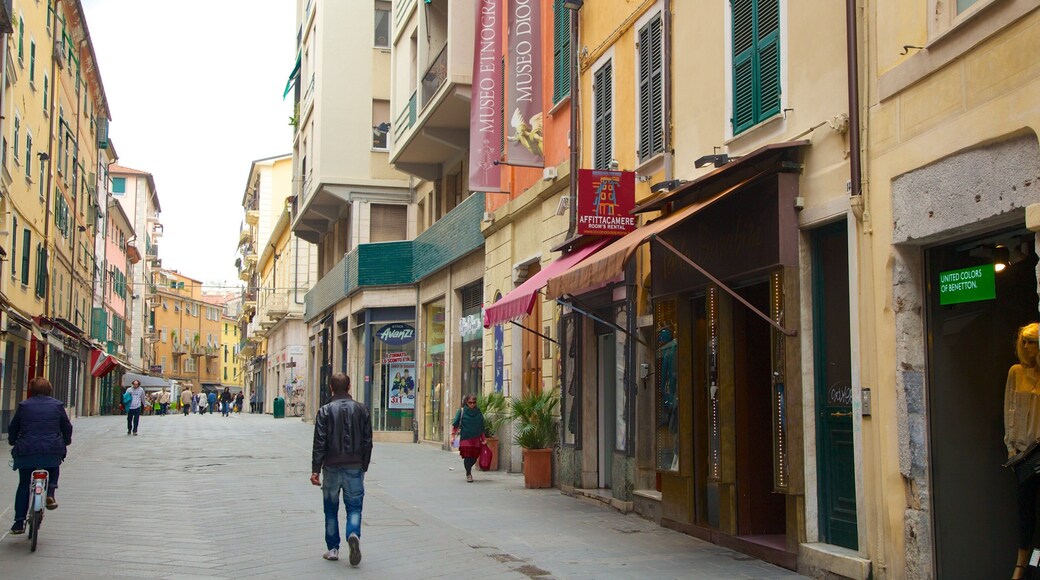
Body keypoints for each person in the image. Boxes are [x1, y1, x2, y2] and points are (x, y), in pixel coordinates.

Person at [311, 373, 372, 566]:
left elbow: (319, 442)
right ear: (349, 386)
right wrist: (364, 465)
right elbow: (367, 441)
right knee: (354, 506)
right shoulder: (362, 409)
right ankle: (353, 533)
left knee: (330, 508)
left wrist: (315, 469)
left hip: (331, 466)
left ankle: (332, 549)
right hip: (354, 465)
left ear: (331, 387)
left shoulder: (325, 410)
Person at [8, 377, 73, 534]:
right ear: (49, 390)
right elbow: (67, 427)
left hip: (27, 450)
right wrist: (66, 441)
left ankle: (18, 523)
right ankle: (50, 492)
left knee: (24, 484)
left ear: (32, 390)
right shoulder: (57, 406)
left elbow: (13, 427)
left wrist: (12, 440)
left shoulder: (24, 406)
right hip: (51, 449)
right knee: (53, 468)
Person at [1005, 322, 1040, 580]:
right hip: (1024, 452)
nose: (1027, 346)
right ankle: (1020, 567)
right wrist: (1011, 450)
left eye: (1033, 342)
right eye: (1024, 341)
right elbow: (1009, 410)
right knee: (1025, 510)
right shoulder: (1015, 372)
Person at [451, 394, 485, 483]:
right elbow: (455, 424)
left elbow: (481, 426)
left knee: (475, 456)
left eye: (474, 402)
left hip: (476, 439)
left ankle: (468, 469)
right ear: (466, 402)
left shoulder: (478, 412)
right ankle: (468, 473)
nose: (472, 404)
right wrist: (453, 436)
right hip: (466, 438)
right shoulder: (462, 411)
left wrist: (483, 439)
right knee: (468, 456)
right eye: (470, 402)